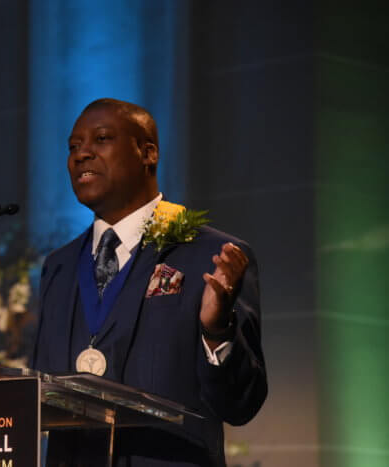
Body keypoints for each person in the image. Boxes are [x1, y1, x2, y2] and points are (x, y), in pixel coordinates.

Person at [31, 98, 267, 466]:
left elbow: (240, 405)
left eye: (102, 139)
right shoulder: (58, 267)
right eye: (73, 147)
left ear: (148, 152)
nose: (82, 155)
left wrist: (217, 330)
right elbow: (41, 394)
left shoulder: (212, 255)